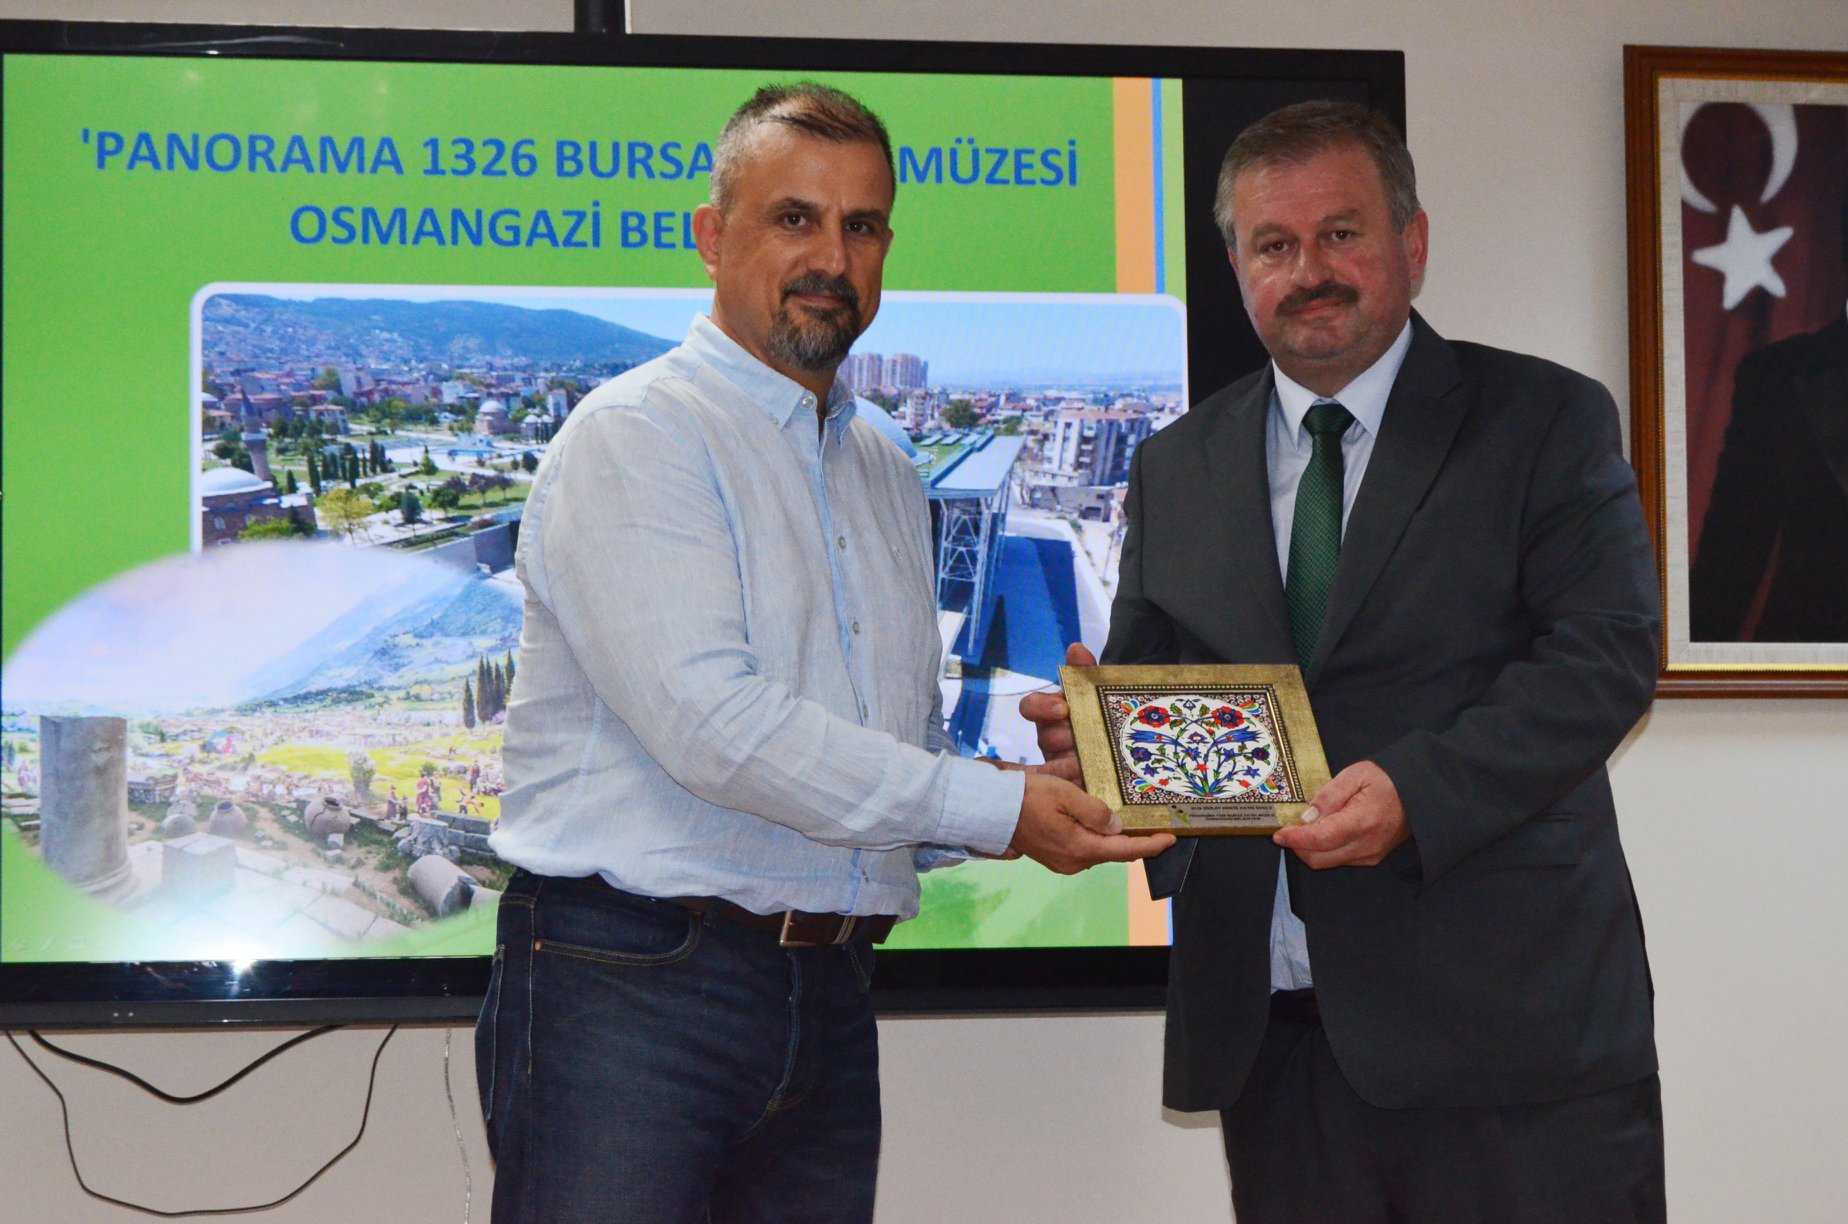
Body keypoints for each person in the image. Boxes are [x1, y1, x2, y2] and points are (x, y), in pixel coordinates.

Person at [475, 82, 1168, 1224]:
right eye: (794, 218)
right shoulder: (638, 435)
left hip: (831, 992)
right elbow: (716, 728)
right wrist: (996, 811)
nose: (831, 259)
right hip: (634, 988)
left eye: (863, 226)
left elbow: (888, 745)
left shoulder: (884, 463)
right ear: (712, 236)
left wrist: (1042, 781)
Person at [1024, 100, 1664, 1222]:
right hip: (1276, 1041)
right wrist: (1105, 750)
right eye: (1274, 244)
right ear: (1237, 268)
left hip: (1513, 1043)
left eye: (1341, 234)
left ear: (1412, 242)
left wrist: (1418, 792)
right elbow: (1161, 693)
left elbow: (1604, 657)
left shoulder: (1543, 419)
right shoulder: (1177, 464)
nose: (1308, 271)